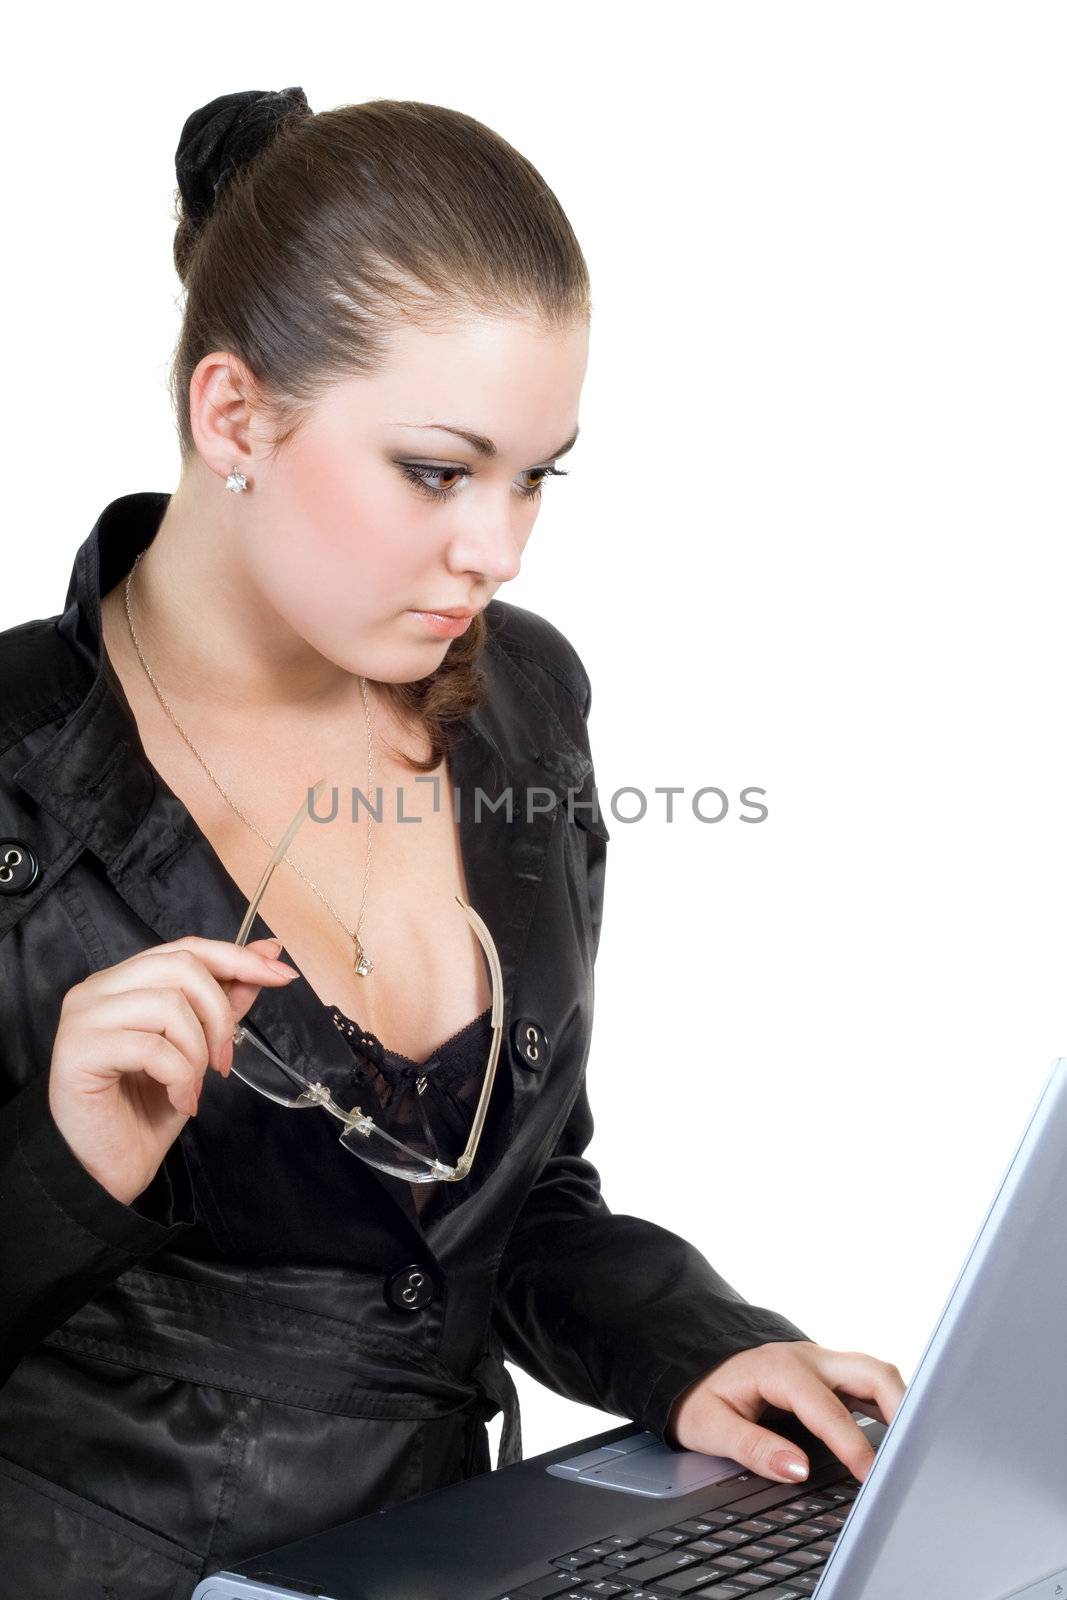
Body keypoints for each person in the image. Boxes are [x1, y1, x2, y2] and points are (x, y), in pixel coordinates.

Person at [0, 88, 905, 1596]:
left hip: (457, 1567)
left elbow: (521, 1196)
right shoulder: (13, 766)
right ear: (234, 414)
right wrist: (63, 1167)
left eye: (538, 473)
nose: (496, 547)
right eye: (437, 469)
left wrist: (694, 1351)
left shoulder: (520, 704)